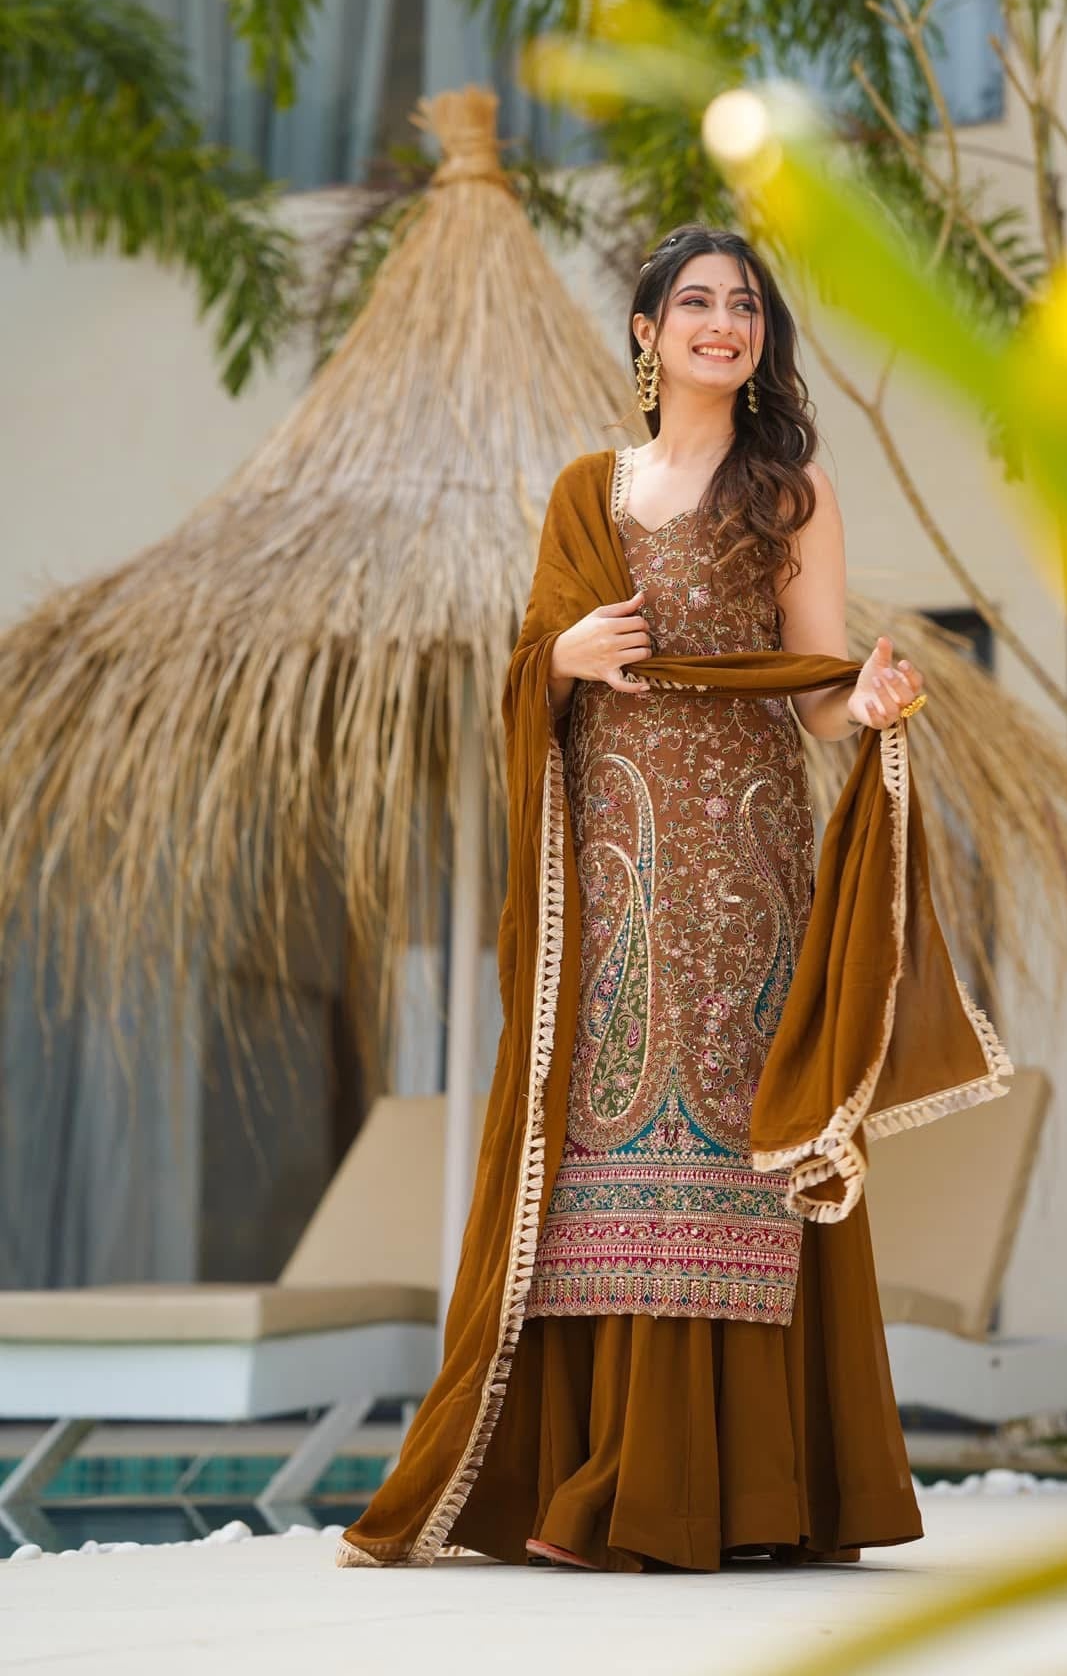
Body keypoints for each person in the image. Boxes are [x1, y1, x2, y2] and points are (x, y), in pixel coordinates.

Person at [337, 223, 1009, 1576]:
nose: (723, 323)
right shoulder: (584, 493)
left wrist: (870, 701)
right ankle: (597, 1475)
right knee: (597, 1144)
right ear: (646, 332)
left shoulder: (790, 492)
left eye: (744, 305)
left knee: (728, 1144)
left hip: (744, 864)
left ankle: (730, 1493)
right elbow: (528, 669)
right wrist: (562, 659)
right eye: (695, 302)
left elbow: (814, 693)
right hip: (609, 877)